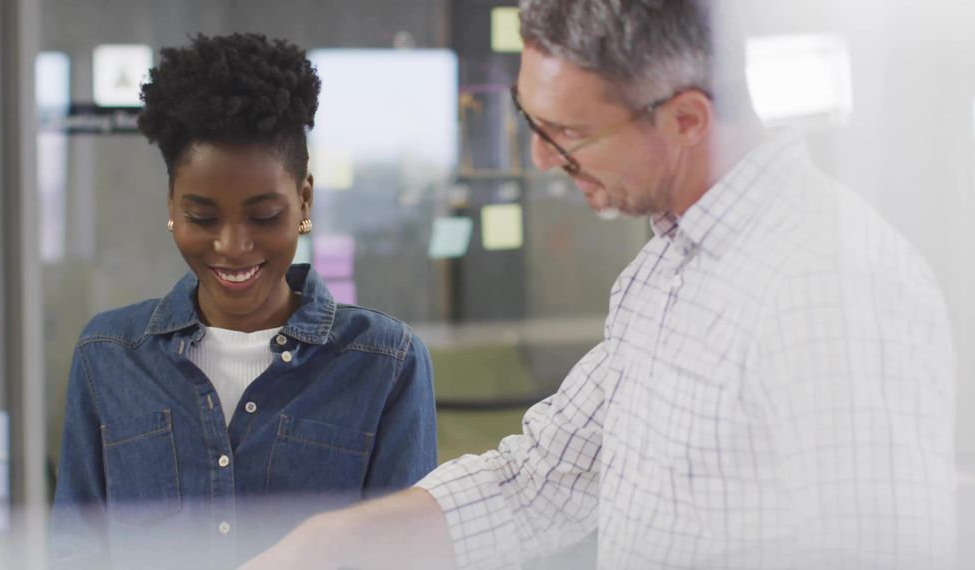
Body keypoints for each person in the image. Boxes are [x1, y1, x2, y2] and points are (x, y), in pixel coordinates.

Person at [241, 1, 956, 569]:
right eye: (531, 120)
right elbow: (544, 480)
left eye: (567, 133)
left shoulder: (825, 285)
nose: (542, 159)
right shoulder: (669, 268)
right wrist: (327, 548)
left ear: (685, 119)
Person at [50, 33, 437, 570]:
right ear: (171, 206)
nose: (232, 246)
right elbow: (75, 553)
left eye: (263, 216)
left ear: (304, 199)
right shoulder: (108, 355)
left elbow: (406, 558)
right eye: (203, 217)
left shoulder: (385, 363)